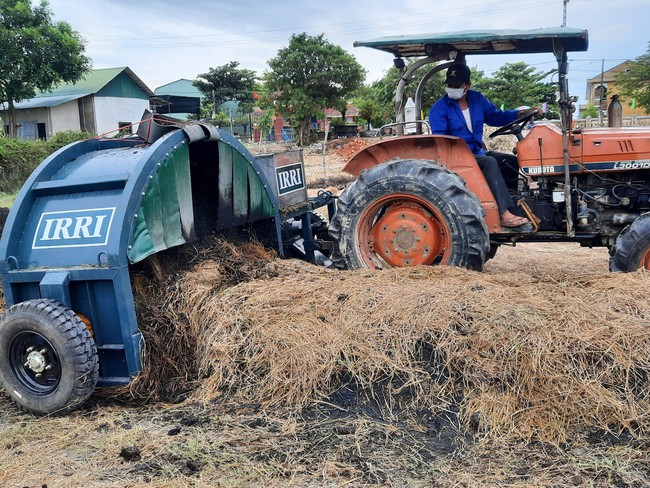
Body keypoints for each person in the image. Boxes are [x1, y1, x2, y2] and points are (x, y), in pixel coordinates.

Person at [429, 63, 537, 228]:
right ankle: (503, 213)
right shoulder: (439, 108)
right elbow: (440, 140)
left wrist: (518, 114)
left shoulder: (477, 99)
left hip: (477, 152)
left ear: (467, 85)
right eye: (450, 85)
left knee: (510, 161)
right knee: (490, 162)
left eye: (457, 85)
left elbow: (496, 116)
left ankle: (512, 203)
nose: (452, 88)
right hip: (457, 157)